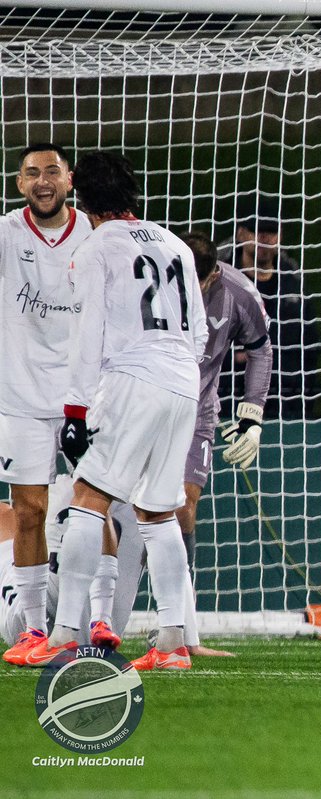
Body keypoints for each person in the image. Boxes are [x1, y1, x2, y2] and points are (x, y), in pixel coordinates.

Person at [30, 150, 208, 672]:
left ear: (82, 198)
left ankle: (64, 634)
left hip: (133, 379)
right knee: (157, 510)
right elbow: (196, 331)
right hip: (183, 382)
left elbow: (88, 338)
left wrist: (76, 410)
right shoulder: (175, 242)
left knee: (88, 498)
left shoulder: (94, 250)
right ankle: (173, 642)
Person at [0, 143, 94, 667]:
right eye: (32, 173)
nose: (42, 180)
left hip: (84, 394)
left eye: (51, 172)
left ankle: (95, 623)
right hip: (20, 397)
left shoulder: (95, 235)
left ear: (69, 179)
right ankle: (34, 629)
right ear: (19, 184)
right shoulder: (7, 233)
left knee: (93, 506)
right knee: (30, 511)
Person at [172, 231, 273, 657]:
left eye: (202, 282)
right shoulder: (151, 277)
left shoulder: (239, 292)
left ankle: (180, 630)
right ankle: (96, 618)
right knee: (124, 515)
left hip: (196, 413)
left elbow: (261, 349)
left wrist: (252, 414)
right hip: (139, 405)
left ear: (214, 273)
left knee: (182, 508)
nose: (193, 290)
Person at [1, 476, 143, 655]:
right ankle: (102, 620)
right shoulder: (144, 498)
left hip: (26, 619)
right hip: (102, 634)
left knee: (10, 515)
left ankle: (39, 631)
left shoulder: (65, 485)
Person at [217, 196, 306, 417]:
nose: (264, 237)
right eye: (257, 229)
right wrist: (234, 357)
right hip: (226, 394)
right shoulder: (218, 274)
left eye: (271, 230)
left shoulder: (292, 278)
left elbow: (307, 338)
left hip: (283, 398)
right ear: (241, 234)